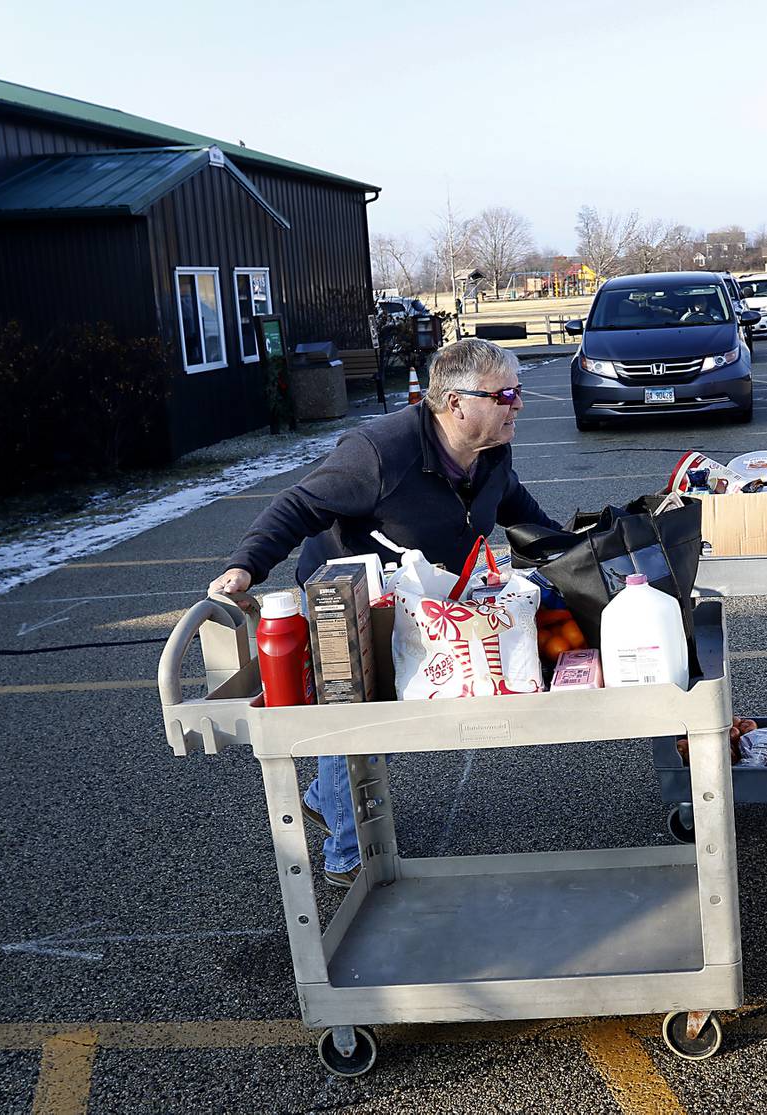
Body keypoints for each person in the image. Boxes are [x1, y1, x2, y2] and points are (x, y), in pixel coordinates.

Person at [209, 338, 559, 887]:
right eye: (506, 394)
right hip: (344, 599)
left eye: (516, 391)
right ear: (455, 403)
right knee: (357, 716)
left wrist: (570, 551)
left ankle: (329, 800)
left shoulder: (491, 449)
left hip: (420, 594)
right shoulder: (378, 451)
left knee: (393, 708)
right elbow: (299, 505)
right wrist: (246, 566)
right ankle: (349, 857)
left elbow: (513, 503)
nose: (518, 403)